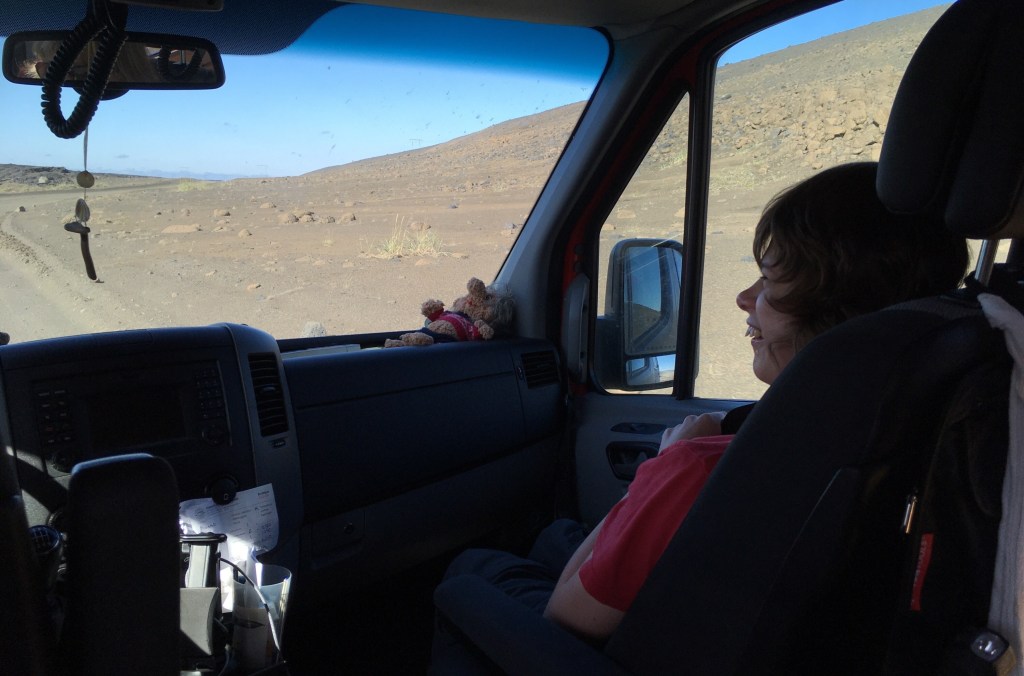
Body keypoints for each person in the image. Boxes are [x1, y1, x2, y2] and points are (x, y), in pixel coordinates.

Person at [432, 161, 970, 657]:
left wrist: (660, 470)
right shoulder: (897, 421)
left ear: (834, 313)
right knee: (552, 537)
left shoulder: (702, 466)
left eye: (769, 281)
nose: (743, 297)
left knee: (473, 569)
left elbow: (565, 615)